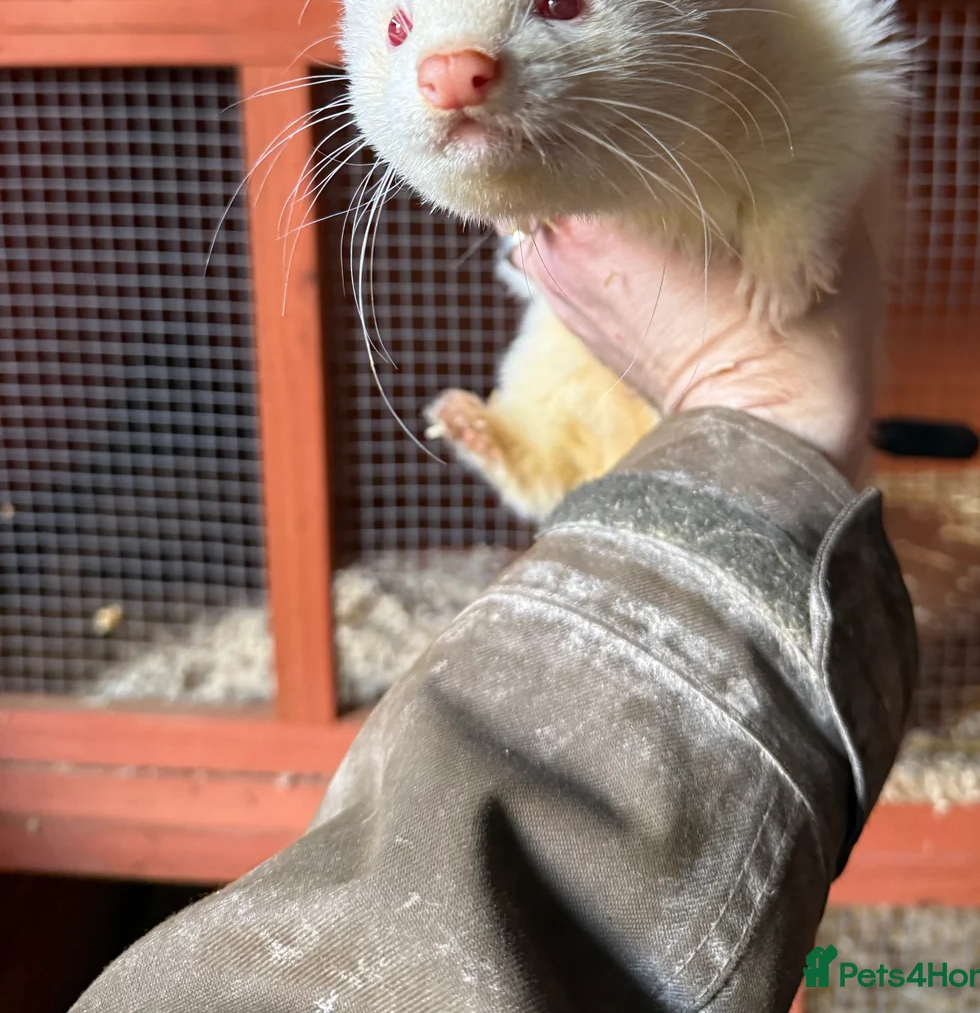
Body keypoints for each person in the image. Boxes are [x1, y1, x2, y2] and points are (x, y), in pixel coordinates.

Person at [74, 219, 916, 1013]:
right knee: (556, 452)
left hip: (684, 467)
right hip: (711, 470)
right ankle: (550, 451)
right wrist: (754, 422)